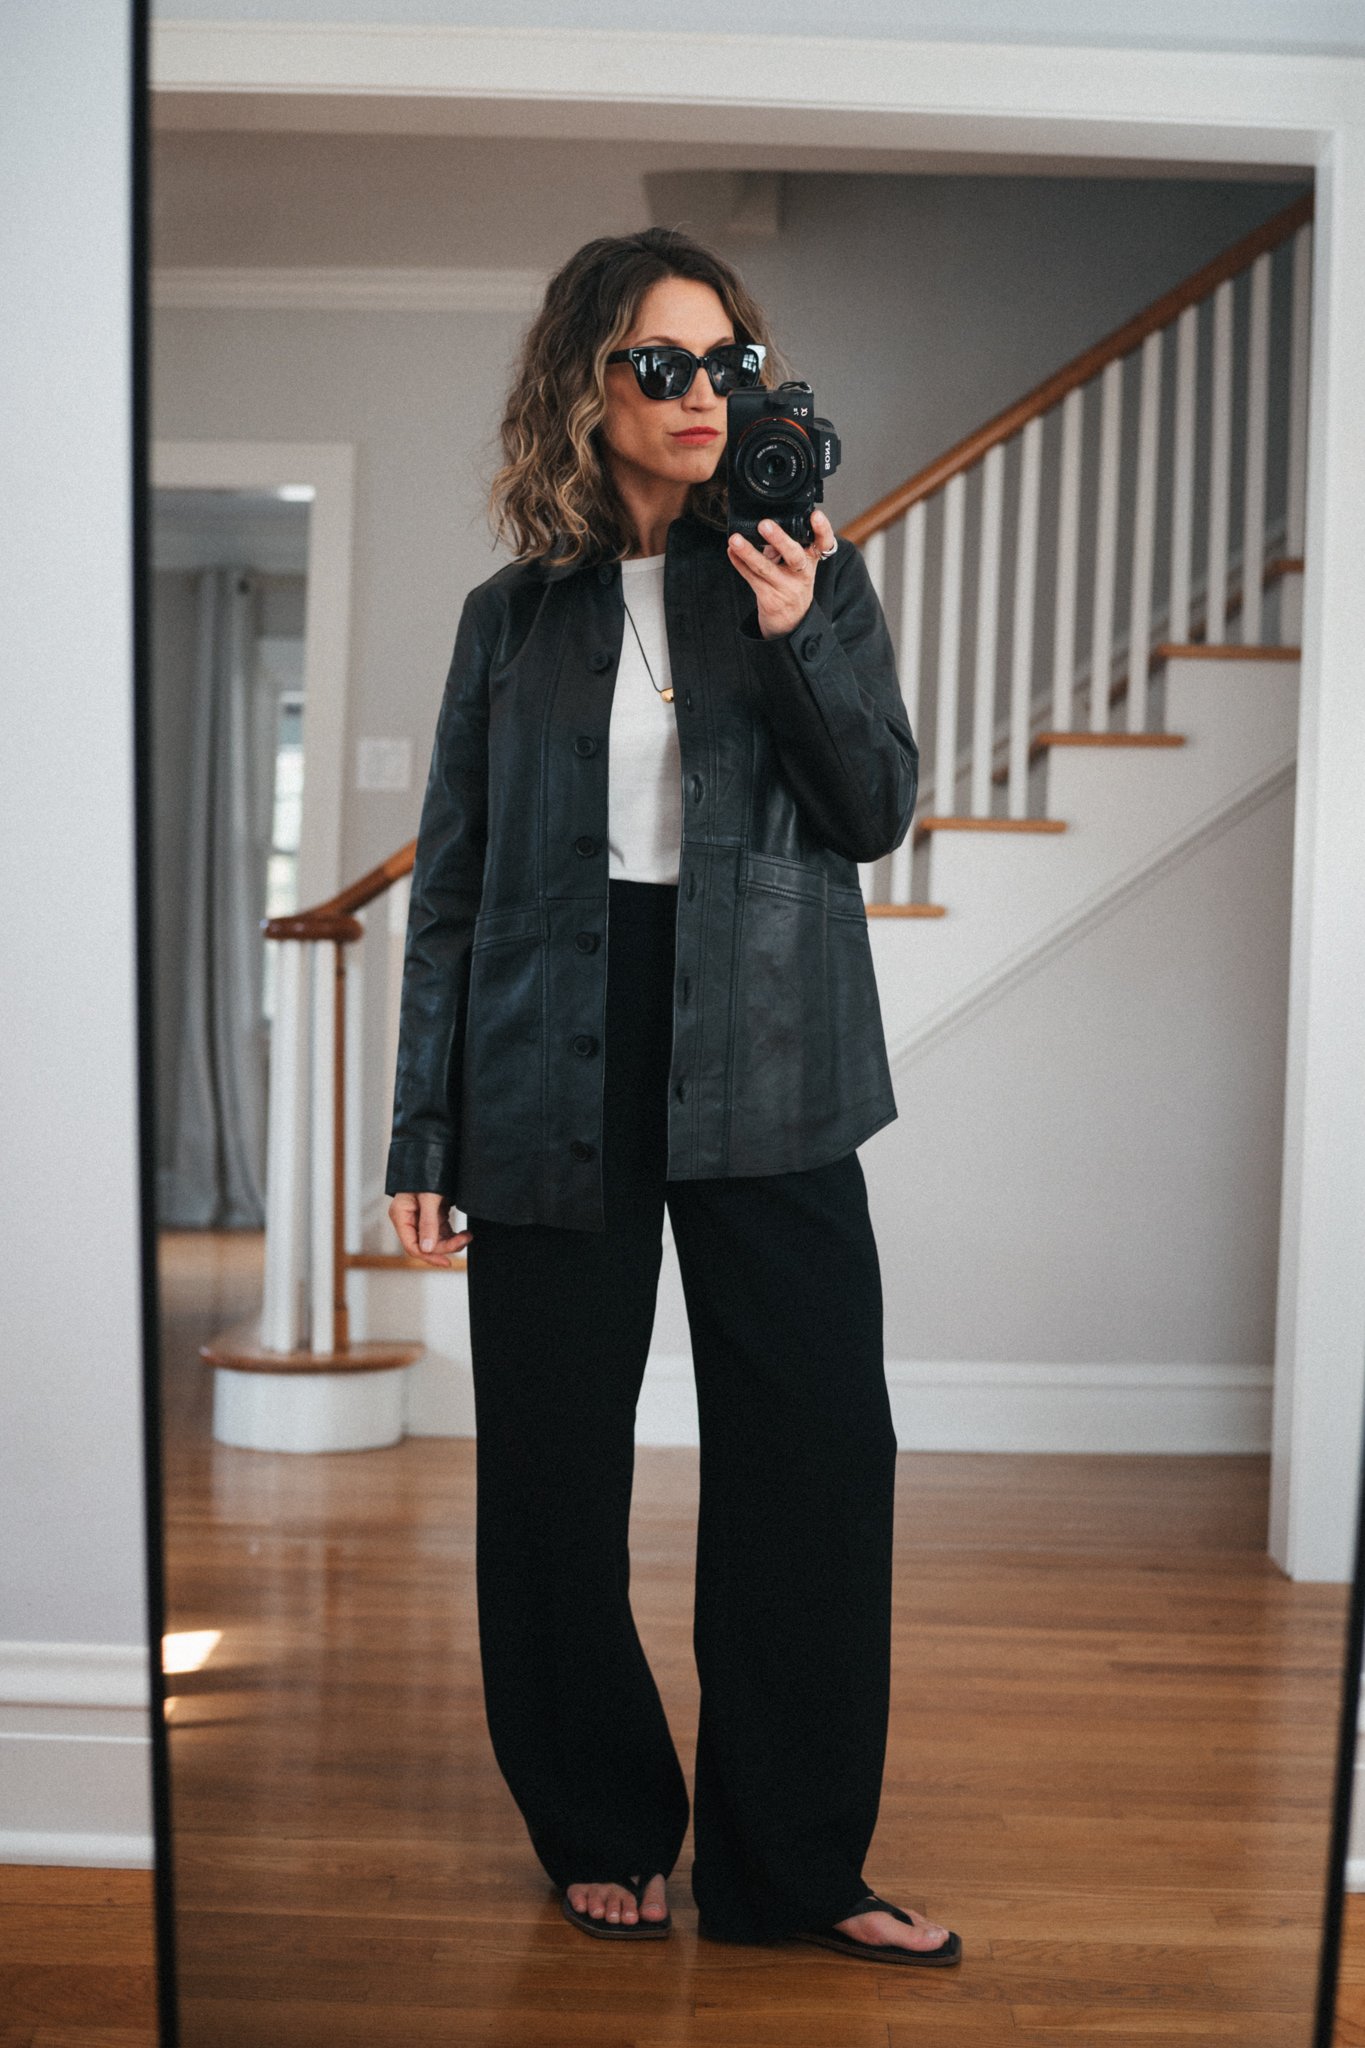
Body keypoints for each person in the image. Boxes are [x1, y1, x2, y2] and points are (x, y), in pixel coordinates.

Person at [384, 226, 961, 1968]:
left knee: (813, 1456)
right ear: (588, 385)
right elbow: (452, 887)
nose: (703, 393)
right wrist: (423, 1128)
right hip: (547, 1052)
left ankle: (793, 1865)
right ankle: (601, 1822)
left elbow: (873, 811)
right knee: (551, 1470)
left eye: (728, 363)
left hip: (771, 1048)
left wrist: (793, 628)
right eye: (663, 363)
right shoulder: (510, 619)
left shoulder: (807, 573)